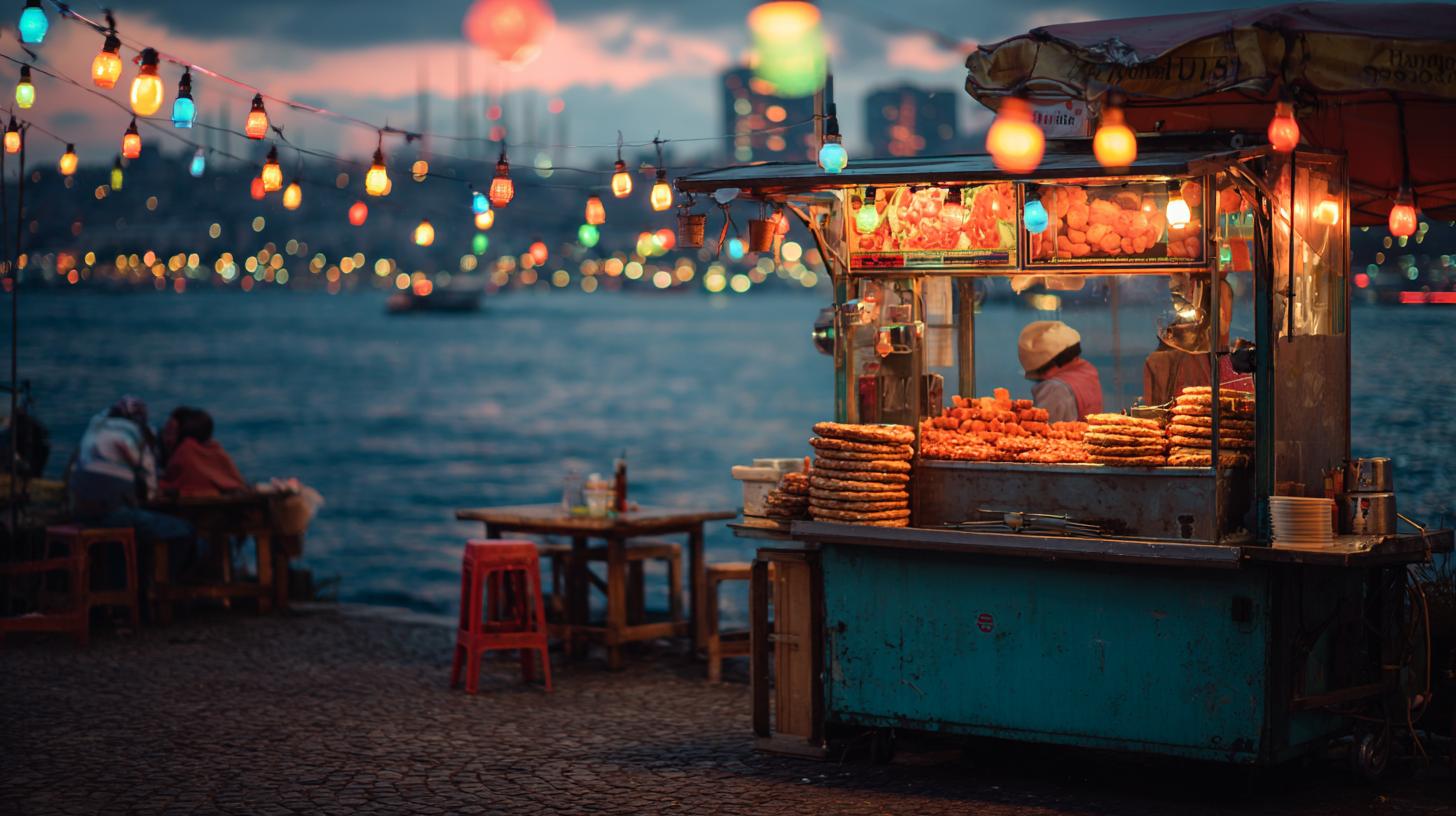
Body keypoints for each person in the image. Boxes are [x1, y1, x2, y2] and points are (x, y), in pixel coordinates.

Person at [67, 396, 194, 582]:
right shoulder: (136, 433)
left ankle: (121, 596)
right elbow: (150, 491)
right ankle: (163, 591)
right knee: (184, 531)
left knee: (121, 540)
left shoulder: (95, 427)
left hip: (78, 512)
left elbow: (71, 471)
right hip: (112, 512)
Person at [1143, 279, 1254, 405]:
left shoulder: (1245, 357)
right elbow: (1156, 411)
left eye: (1226, 302)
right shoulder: (1165, 361)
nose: (1222, 312)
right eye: (1215, 304)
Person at [1018, 320, 1103, 423]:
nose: (1042, 377)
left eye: (1041, 372)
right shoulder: (1088, 371)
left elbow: (1042, 432)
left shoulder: (1055, 389)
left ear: (1056, 363)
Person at [160, 407, 247, 496]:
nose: (166, 438)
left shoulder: (185, 451)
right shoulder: (216, 450)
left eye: (171, 432)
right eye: (166, 432)